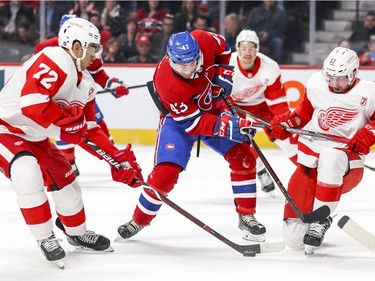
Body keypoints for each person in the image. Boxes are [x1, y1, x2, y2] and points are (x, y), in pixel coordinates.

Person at [0, 17, 143, 266]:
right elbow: (33, 103)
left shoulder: (85, 84)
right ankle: (45, 237)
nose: (96, 54)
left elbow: (88, 129)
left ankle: (76, 233)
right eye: (92, 48)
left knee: (66, 180)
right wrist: (67, 121)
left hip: (37, 137)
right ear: (76, 46)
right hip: (6, 130)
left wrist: (116, 159)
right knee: (27, 172)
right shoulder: (54, 57)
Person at [117, 29, 267, 243]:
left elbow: (224, 46)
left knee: (244, 157)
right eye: (181, 65)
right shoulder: (166, 82)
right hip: (179, 121)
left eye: (192, 62)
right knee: (164, 174)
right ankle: (138, 220)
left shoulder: (202, 39)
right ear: (171, 59)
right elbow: (194, 124)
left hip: (210, 107)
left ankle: (247, 216)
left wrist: (223, 72)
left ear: (198, 53)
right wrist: (226, 126)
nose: (188, 70)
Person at [266, 47, 375, 254]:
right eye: (330, 78)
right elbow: (303, 114)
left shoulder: (369, 92)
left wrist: (368, 133)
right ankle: (321, 218)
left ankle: (321, 218)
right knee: (293, 240)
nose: (334, 84)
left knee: (330, 156)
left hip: (346, 162)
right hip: (310, 161)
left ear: (353, 73)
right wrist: (287, 122)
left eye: (341, 78)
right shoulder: (317, 83)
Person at [34, 14, 130, 176]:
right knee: (64, 123)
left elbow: (97, 71)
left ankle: (113, 156)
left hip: (81, 92)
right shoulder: (47, 48)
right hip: (58, 96)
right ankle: (69, 162)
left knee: (96, 124)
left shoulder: (88, 47)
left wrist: (111, 84)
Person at [229, 30, 298, 193]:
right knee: (242, 140)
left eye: (252, 48)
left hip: (260, 105)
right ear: (237, 49)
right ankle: (259, 169)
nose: (247, 52)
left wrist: (282, 122)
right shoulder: (227, 63)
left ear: (257, 49)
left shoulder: (270, 67)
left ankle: (308, 171)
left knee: (285, 138)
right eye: (244, 48)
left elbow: (278, 100)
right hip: (233, 106)